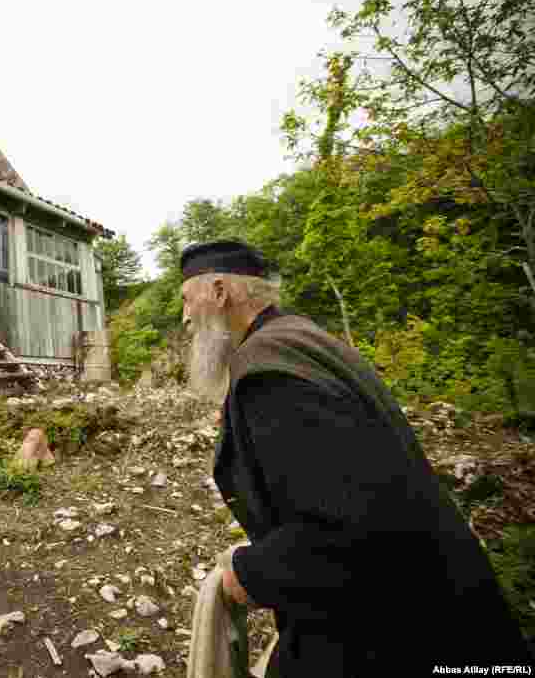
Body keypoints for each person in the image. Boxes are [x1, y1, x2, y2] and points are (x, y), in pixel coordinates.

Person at [179, 240, 531, 676]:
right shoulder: (302, 339)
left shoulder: (269, 370)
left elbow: (345, 525)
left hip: (398, 635)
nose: (185, 316)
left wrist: (249, 573)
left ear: (219, 291)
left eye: (187, 299)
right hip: (438, 609)